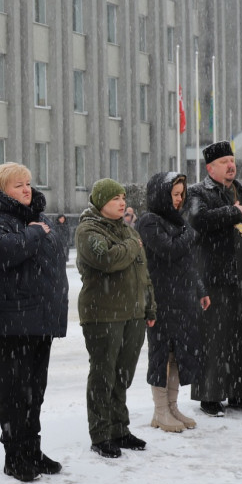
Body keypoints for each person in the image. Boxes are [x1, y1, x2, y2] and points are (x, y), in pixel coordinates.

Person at [0, 162, 69, 482]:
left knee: (35, 391)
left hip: (40, 320)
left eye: (28, 183)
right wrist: (32, 233)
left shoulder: (38, 219)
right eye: (18, 185)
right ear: (3, 191)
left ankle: (32, 449)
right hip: (12, 322)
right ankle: (14, 456)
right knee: (15, 393)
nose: (27, 189)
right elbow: (4, 251)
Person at [185, 141, 242, 416]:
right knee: (216, 338)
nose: (231, 165)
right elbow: (197, 220)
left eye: (232, 160)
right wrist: (231, 213)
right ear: (210, 168)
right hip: (217, 277)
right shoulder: (198, 192)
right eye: (224, 162)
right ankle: (210, 396)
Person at [74, 178, 156, 458]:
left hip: (133, 313)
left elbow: (143, 274)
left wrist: (150, 306)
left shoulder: (127, 230)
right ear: (100, 204)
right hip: (103, 314)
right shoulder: (88, 230)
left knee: (123, 375)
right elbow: (108, 260)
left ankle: (119, 429)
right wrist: (133, 246)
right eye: (114, 199)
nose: (122, 203)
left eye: (122, 198)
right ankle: (100, 434)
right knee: (103, 375)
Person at [136, 172, 209, 434]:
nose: (179, 200)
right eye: (175, 195)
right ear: (161, 194)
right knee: (161, 354)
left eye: (181, 195)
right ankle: (160, 411)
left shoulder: (178, 222)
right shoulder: (149, 221)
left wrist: (200, 289)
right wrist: (189, 232)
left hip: (183, 297)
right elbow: (169, 250)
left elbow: (188, 261)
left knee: (178, 353)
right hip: (161, 298)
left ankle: (172, 405)